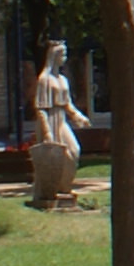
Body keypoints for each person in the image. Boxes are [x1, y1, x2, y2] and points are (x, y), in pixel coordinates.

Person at [29, 41, 90, 208]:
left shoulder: (63, 80)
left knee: (73, 151)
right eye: (62, 54)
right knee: (53, 158)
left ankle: (64, 187)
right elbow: (41, 108)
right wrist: (47, 132)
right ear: (54, 56)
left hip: (61, 120)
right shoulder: (44, 80)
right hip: (49, 121)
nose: (64, 57)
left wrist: (78, 116)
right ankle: (50, 190)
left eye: (65, 54)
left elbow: (68, 104)